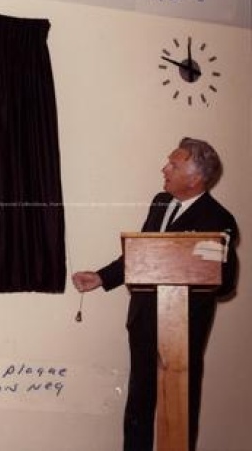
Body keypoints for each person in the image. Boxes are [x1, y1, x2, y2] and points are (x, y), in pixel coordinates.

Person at [72, 137, 238, 451]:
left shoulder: (219, 220)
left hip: (183, 332)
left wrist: (199, 261)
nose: (164, 168)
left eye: (174, 165)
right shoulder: (160, 202)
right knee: (138, 405)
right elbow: (142, 255)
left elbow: (226, 283)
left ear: (195, 178)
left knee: (179, 411)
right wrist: (101, 277)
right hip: (144, 322)